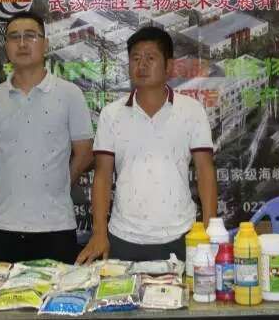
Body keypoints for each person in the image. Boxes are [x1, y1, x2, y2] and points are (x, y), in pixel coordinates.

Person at [77, 26, 218, 264]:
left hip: (181, 235)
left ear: (169, 66)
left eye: (150, 58)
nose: (141, 65)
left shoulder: (191, 110)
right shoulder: (111, 114)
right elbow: (102, 175)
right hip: (123, 237)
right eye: (135, 58)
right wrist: (100, 233)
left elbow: (205, 170)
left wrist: (209, 229)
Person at [0, 10, 94, 263]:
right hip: (3, 226)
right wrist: (18, 183)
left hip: (55, 226)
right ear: (6, 46)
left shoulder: (69, 94)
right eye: (14, 37)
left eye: (30, 36)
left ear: (45, 44)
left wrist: (59, 181)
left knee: (57, 290)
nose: (22, 43)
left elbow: (85, 153)